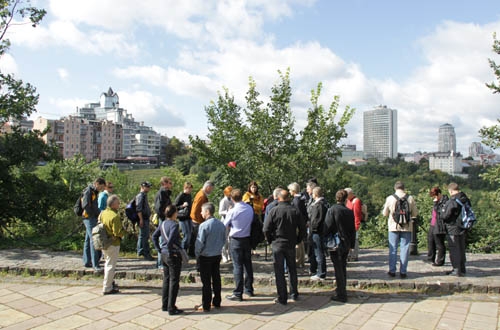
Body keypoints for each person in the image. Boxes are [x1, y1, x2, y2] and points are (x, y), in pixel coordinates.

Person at [264, 190, 306, 305]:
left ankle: (282, 297)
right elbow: (302, 227)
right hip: (290, 243)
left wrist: (270, 240)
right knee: (292, 269)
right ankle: (294, 293)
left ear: (279, 198)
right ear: (288, 198)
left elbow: (266, 229)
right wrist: (298, 239)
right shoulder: (295, 211)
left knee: (279, 271)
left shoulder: (274, 211)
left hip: (277, 243)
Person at [324, 190, 356, 303]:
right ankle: (342, 289)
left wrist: (325, 239)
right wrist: (352, 244)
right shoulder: (348, 211)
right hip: (346, 242)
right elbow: (353, 230)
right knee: (342, 266)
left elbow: (327, 226)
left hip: (335, 242)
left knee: (338, 268)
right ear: (346, 198)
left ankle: (341, 293)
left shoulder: (332, 210)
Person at [223, 188, 255, 301]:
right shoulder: (249, 208)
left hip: (236, 239)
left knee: (237, 266)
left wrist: (229, 213)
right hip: (247, 238)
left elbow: (225, 224)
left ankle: (238, 292)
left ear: (232, 198)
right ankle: (249, 289)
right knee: (248, 264)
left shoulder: (232, 211)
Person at [382, 181, 418, 278]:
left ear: (395, 188)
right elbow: (415, 214)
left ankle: (392, 270)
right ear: (404, 188)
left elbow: (385, 213)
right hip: (406, 226)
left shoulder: (390, 198)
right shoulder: (410, 198)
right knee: (405, 249)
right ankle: (403, 271)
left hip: (393, 226)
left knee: (393, 249)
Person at [152, 205, 184, 315]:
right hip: (172, 255)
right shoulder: (175, 225)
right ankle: (172, 307)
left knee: (166, 279)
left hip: (164, 255)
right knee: (174, 281)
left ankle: (165, 305)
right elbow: (170, 241)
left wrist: (159, 249)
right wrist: (172, 252)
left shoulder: (163, 223)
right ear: (174, 213)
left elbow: (154, 236)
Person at [195, 202, 226, 312]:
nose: (201, 213)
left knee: (206, 282)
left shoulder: (204, 225)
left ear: (207, 212)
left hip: (206, 256)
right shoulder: (221, 224)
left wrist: (197, 254)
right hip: (217, 254)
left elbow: (199, 243)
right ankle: (217, 301)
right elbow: (224, 240)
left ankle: (206, 304)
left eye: (202, 211)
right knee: (216, 278)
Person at [442, 182, 470, 277]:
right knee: (461, 248)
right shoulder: (465, 199)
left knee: (454, 248)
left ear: (451, 190)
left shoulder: (453, 200)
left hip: (453, 227)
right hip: (463, 227)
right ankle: (462, 268)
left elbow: (446, 215)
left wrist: (442, 214)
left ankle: (456, 269)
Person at [100, 194, 126, 295]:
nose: (119, 204)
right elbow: (117, 232)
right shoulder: (115, 216)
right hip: (113, 243)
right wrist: (123, 233)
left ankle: (109, 283)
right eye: (117, 203)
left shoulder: (103, 213)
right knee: (110, 265)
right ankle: (107, 287)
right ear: (113, 204)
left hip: (104, 241)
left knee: (107, 263)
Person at [81, 177, 106, 272]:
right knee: (94, 240)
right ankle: (95, 264)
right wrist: (95, 214)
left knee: (88, 240)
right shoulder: (89, 191)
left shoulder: (94, 192)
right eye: (101, 187)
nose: (102, 189)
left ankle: (87, 261)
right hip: (89, 218)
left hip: (91, 217)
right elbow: (86, 205)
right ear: (97, 184)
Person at [189, 181, 214, 257]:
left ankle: (192, 253)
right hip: (197, 221)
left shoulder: (201, 193)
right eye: (211, 189)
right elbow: (195, 210)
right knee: (198, 239)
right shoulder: (201, 196)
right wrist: (201, 221)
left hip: (197, 220)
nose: (211, 191)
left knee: (194, 238)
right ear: (208, 187)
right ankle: (194, 254)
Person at [309, 187, 328, 280]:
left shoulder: (319, 205)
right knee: (319, 252)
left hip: (317, 232)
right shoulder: (324, 203)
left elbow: (316, 219)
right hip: (320, 231)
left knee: (319, 252)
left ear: (315, 194)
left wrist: (312, 228)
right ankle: (320, 271)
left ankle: (321, 273)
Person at [155, 177, 173, 268]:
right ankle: (160, 263)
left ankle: (162, 262)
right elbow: (158, 208)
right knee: (162, 240)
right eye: (170, 183)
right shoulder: (161, 193)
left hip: (165, 218)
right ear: (164, 184)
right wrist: (165, 216)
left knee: (164, 240)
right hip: (163, 219)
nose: (171, 184)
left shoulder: (166, 193)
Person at [288, 182, 307, 268]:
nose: (289, 192)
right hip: (302, 222)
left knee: (298, 243)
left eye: (290, 190)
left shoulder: (296, 200)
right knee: (301, 242)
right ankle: (301, 260)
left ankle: (298, 260)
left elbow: (297, 213)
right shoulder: (302, 198)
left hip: (298, 223)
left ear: (293, 190)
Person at [427, 186, 448, 267]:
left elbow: (439, 212)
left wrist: (436, 203)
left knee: (439, 243)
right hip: (433, 223)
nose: (434, 198)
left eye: (435, 196)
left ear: (439, 194)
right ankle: (430, 258)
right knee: (430, 241)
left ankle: (440, 260)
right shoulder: (438, 200)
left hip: (439, 224)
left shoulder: (445, 201)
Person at [136, 181, 154, 261]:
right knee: (144, 236)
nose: (149, 188)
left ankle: (140, 252)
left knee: (142, 236)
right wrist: (141, 219)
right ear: (143, 187)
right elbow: (138, 209)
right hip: (143, 218)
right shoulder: (140, 196)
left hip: (145, 218)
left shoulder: (144, 196)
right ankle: (145, 253)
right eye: (147, 187)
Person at [345, 188, 362, 262]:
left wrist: (357, 225)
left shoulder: (356, 201)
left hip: (353, 223)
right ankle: (349, 254)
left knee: (355, 239)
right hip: (348, 223)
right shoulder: (348, 201)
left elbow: (357, 214)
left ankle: (354, 255)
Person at [175, 182, 193, 251]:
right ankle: (182, 251)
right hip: (182, 218)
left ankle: (185, 250)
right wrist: (182, 206)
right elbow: (175, 207)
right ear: (186, 188)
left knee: (189, 235)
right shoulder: (181, 195)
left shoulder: (189, 195)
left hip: (189, 217)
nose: (190, 190)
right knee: (186, 235)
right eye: (189, 189)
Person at [219, 186, 234, 263]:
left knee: (230, 239)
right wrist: (228, 211)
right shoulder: (223, 201)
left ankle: (230, 254)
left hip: (231, 222)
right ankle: (224, 255)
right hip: (224, 221)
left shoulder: (232, 200)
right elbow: (220, 212)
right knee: (225, 239)